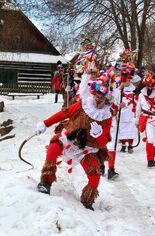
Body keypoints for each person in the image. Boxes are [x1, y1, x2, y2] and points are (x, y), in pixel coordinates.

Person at [35, 70, 114, 210]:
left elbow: (102, 143)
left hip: (87, 149)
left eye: (102, 98)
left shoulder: (106, 117)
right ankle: (45, 183)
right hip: (70, 138)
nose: (98, 99)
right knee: (53, 147)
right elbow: (62, 114)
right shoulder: (83, 105)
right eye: (96, 96)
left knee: (95, 177)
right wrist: (45, 124)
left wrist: (99, 134)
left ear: (107, 100)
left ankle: (87, 202)